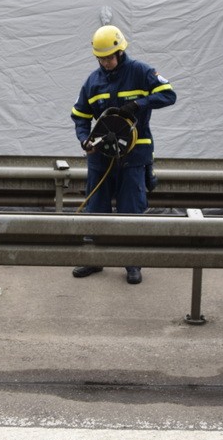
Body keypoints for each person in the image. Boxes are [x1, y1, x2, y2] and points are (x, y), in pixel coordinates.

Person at [70, 24, 176, 284]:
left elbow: (168, 94)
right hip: (101, 158)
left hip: (134, 157)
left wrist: (139, 103)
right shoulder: (92, 82)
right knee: (96, 208)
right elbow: (80, 116)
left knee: (132, 210)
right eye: (101, 58)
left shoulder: (141, 72)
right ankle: (93, 260)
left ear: (120, 52)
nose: (105, 62)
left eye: (109, 57)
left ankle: (132, 264)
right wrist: (85, 139)